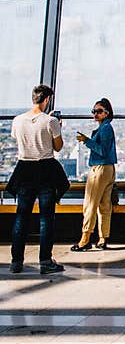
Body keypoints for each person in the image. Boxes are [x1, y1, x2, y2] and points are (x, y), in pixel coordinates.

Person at [8, 84, 69, 275]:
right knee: (46, 218)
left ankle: (16, 261)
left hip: (24, 169)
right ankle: (45, 261)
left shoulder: (17, 121)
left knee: (21, 216)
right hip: (45, 171)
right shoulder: (50, 121)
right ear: (47, 99)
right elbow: (58, 147)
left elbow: (17, 140)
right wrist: (57, 126)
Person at [71, 98, 117, 251]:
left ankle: (85, 239)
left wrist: (87, 141)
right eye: (94, 111)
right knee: (104, 205)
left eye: (99, 111)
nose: (95, 114)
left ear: (107, 113)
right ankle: (103, 238)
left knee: (90, 204)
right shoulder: (106, 128)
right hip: (108, 169)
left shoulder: (104, 129)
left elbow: (102, 150)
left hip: (99, 169)